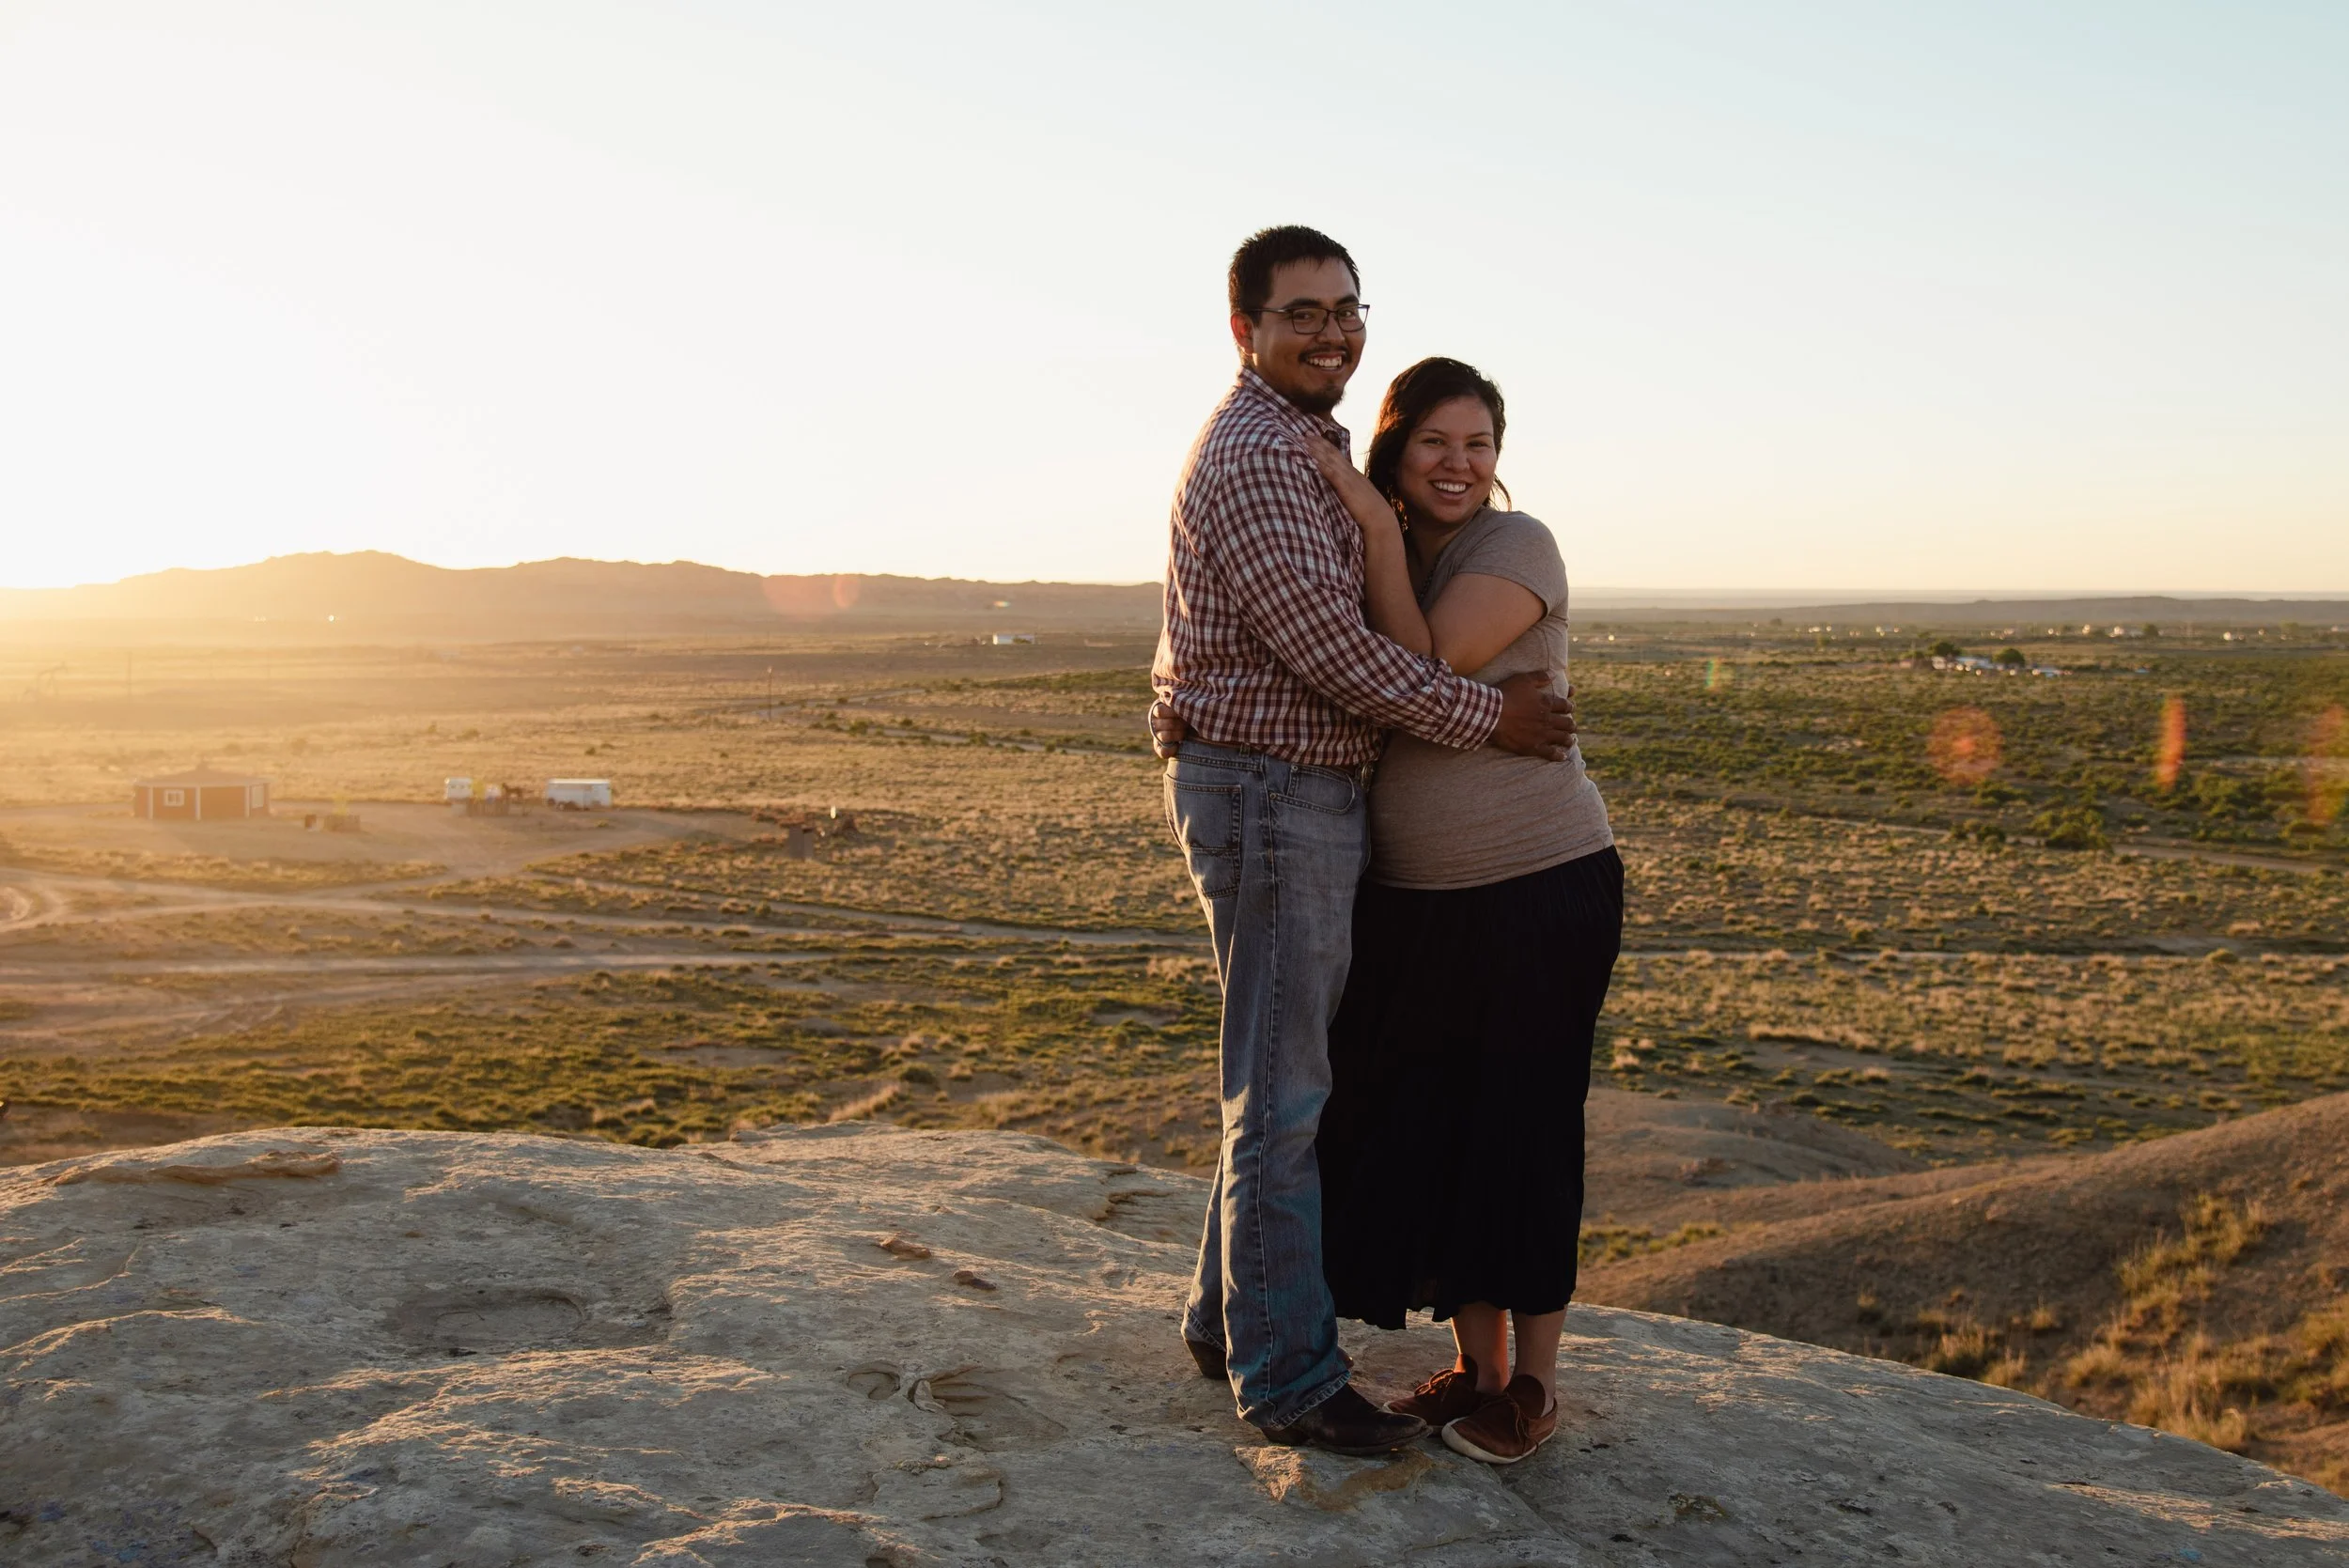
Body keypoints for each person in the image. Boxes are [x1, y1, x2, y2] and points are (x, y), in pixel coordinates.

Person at [1151, 227, 1579, 1457]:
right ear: (1245, 329)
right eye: (1301, 312)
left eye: (1347, 308)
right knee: (1285, 1093)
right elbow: (1337, 659)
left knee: (1275, 1076)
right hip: (1274, 793)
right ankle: (1286, 1376)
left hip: (1294, 794)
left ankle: (1222, 1319)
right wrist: (1492, 719)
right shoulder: (1261, 458)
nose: (1331, 330)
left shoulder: (1309, 445)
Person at [1306, 357, 1622, 1467]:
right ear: (1396, 446)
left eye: (1478, 443)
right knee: (1438, 1125)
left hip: (1536, 884)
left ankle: (1533, 1386)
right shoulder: (1373, 553)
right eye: (1436, 442)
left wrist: (1375, 532)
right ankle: (1475, 1370)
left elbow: (1420, 661)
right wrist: (1488, 714)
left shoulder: (1515, 543)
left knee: (1524, 1128)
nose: (1459, 463)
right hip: (1413, 899)